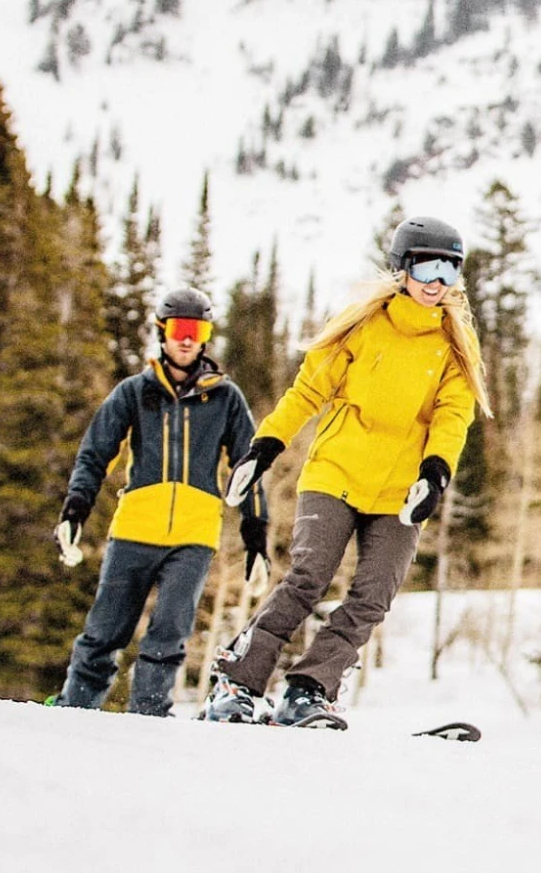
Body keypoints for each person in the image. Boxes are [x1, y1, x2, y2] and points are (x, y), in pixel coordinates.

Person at [201, 215, 492, 728]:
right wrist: (263, 448)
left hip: (400, 490)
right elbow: (306, 392)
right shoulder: (361, 326)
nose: (437, 282)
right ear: (402, 267)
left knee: (374, 593)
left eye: (450, 270)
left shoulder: (454, 346)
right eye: (427, 266)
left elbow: (453, 416)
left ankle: (309, 688)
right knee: (308, 578)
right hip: (337, 472)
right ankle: (236, 681)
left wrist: (435, 474)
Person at [51, 287, 269, 717]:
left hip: (194, 534)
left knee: (169, 633)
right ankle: (74, 711)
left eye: (197, 330)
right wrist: (74, 511)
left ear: (206, 336)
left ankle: (149, 718)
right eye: (179, 329)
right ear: (162, 333)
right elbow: (95, 454)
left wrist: (256, 537)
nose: (187, 339)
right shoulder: (134, 392)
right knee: (104, 631)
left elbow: (249, 469)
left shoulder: (226, 398)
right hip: (135, 528)